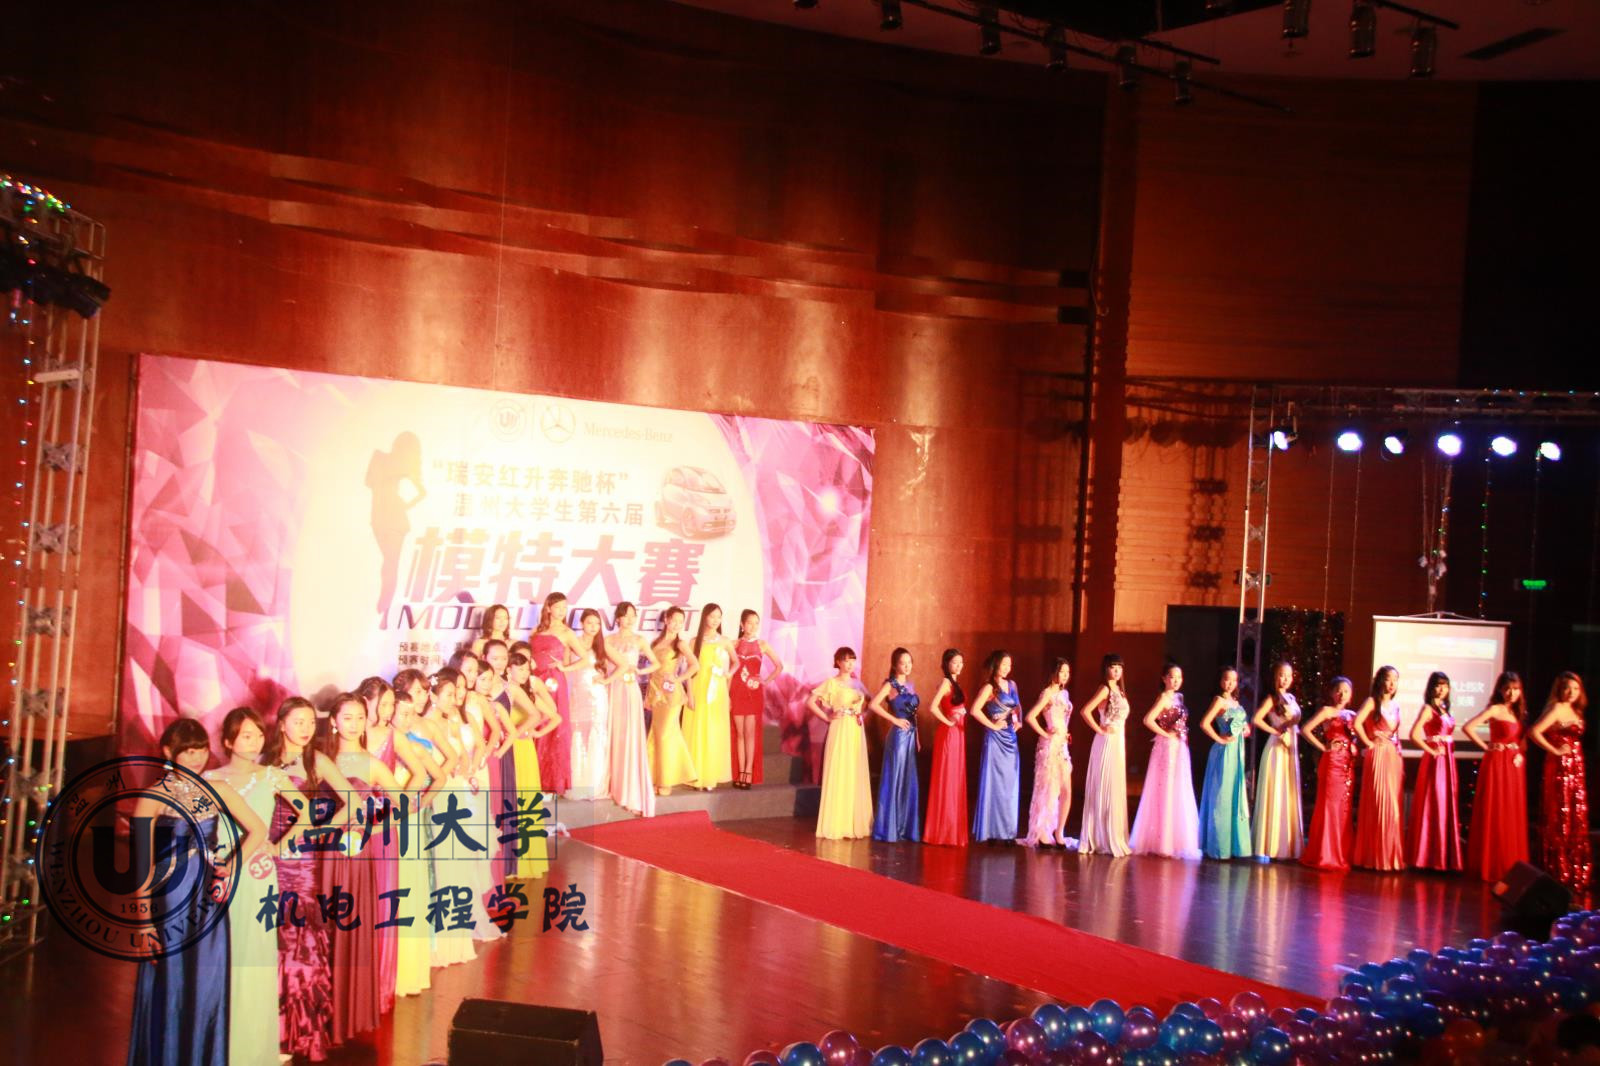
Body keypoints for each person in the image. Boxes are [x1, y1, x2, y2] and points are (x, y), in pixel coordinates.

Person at [127, 718, 267, 1066]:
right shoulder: (152, 797)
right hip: (169, 902)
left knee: (206, 986)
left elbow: (258, 830)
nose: (196, 757)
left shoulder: (218, 789)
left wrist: (231, 865)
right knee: (170, 985)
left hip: (207, 903)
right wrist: (144, 923)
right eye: (188, 751)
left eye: (201, 750)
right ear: (168, 752)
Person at [265, 696, 364, 1062]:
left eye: (311, 722)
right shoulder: (263, 759)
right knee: (266, 940)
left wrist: (317, 831)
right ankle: (264, 1026)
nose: (306, 729)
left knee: (298, 941)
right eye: (299, 722)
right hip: (265, 855)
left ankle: (295, 1032)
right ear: (281, 724)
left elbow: (354, 804)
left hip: (301, 860)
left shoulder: (317, 761)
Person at [203, 709, 291, 1066]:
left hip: (256, 874)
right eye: (246, 735)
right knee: (220, 957)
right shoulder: (210, 778)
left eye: (258, 734)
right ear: (228, 741)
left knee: (254, 959)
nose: (255, 742)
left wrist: (280, 845)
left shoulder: (272, 776)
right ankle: (216, 1045)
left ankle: (252, 1049)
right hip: (218, 873)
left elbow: (309, 812)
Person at [322, 692, 406, 1046]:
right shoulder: (320, 758)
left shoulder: (371, 763)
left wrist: (369, 826)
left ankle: (348, 1007)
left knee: (349, 922)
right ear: (333, 721)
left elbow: (402, 804)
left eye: (360, 717)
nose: (355, 724)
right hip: (317, 850)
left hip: (354, 851)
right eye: (347, 717)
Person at [1531, 671, 1592, 906]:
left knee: (1575, 816)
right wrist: (1555, 750)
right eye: (1567, 688)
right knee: (1561, 817)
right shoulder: (1556, 708)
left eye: (1575, 689)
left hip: (1576, 767)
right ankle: (1559, 869)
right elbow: (1534, 732)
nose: (1571, 692)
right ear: (1560, 689)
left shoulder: (1576, 711)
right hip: (1560, 769)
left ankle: (1574, 868)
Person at [1463, 671, 1530, 883]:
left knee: (1511, 810)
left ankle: (1511, 864)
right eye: (1507, 688)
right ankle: (1492, 863)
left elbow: (1522, 739)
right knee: (1497, 808)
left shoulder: (1518, 712)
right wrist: (1487, 747)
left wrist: (1519, 752)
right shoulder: (1495, 709)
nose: (1511, 693)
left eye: (1516, 689)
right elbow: (1468, 727)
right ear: (1500, 690)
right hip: (1498, 763)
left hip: (1514, 765)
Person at [1129, 662, 1200, 859]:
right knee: (1165, 789)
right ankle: (1163, 843)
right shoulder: (1163, 698)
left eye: (1179, 677)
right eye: (1172, 677)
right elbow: (1148, 719)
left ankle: (1176, 841)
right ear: (1164, 679)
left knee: (1179, 789)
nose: (1176, 681)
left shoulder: (1179, 697)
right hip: (1167, 748)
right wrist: (1166, 734)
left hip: (1180, 748)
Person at [810, 647, 873, 839]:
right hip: (839, 729)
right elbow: (810, 702)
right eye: (846, 660)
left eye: (852, 660)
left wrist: (862, 714)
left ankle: (852, 822)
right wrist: (827, 717)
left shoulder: (857, 683)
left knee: (854, 771)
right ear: (838, 662)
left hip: (855, 730)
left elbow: (870, 702)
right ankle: (837, 823)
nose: (850, 664)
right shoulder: (832, 683)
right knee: (839, 770)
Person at [1299, 676, 1357, 872]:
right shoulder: (1326, 711)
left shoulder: (1353, 715)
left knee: (1343, 809)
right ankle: (1325, 854)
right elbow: (1305, 729)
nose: (1342, 694)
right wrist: (1324, 747)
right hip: (1332, 763)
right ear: (1332, 693)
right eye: (1338, 690)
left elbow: (1356, 737)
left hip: (1348, 765)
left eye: (1346, 691)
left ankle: (1340, 853)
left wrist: (1354, 746)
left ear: (1351, 695)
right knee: (1329, 806)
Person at [1407, 671, 1463, 872]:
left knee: (1445, 803)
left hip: (1447, 761)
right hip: (1436, 762)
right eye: (1438, 685)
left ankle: (1443, 857)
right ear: (1431, 688)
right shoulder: (1428, 709)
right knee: (1434, 802)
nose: (1441, 689)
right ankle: (1428, 858)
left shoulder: (1444, 709)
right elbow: (1414, 734)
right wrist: (1431, 750)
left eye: (1445, 685)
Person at [607, 602, 659, 816]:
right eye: (625, 615)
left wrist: (640, 670)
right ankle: (613, 784)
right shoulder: (608, 640)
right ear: (618, 617)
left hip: (629, 689)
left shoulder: (639, 639)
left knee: (629, 735)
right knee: (614, 734)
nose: (629, 619)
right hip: (612, 689)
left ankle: (631, 788)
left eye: (633, 615)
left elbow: (655, 663)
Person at [1352, 666, 1406, 872]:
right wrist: (1369, 742)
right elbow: (1357, 723)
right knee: (1379, 803)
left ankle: (1389, 856)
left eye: (1395, 680)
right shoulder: (1372, 702)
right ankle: (1375, 856)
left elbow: (1396, 733)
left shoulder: (1396, 706)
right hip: (1378, 755)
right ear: (1380, 681)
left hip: (1393, 756)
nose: (1392, 683)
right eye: (1388, 679)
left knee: (1393, 806)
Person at [1077, 653, 1131, 857]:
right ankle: (1101, 837)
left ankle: (1112, 835)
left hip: (1118, 742)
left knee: (1114, 787)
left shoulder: (1120, 690)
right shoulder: (1105, 689)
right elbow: (1085, 711)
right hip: (1107, 741)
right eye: (1112, 667)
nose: (1116, 671)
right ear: (1106, 669)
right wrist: (1100, 729)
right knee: (1104, 787)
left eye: (1119, 667)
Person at [530, 592, 583, 795]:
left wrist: (564, 668)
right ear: (548, 608)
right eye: (558, 607)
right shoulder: (537, 630)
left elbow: (585, 658)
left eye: (564, 607)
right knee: (536, 721)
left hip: (554, 683)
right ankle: (534, 779)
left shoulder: (567, 633)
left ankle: (552, 783)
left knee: (553, 726)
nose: (562, 611)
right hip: (535, 680)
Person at [1251, 660, 1304, 861]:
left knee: (1288, 794)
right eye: (1282, 675)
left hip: (1291, 747)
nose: (1285, 679)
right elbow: (1256, 719)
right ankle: (1271, 845)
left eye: (1289, 676)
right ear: (1275, 677)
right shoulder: (1272, 699)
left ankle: (1287, 845)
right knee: (1276, 791)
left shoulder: (1291, 698)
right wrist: (1276, 731)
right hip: (1277, 748)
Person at [1198, 666, 1252, 860]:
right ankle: (1218, 846)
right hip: (1225, 752)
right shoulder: (1219, 700)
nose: (1230, 683)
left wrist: (1245, 729)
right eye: (1227, 679)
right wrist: (1219, 739)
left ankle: (1234, 846)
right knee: (1221, 795)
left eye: (1234, 680)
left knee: (1234, 795)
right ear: (1221, 681)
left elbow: (1244, 726)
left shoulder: (1236, 703)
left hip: (1238, 752)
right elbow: (1204, 723)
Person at [868, 647, 921, 842]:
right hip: (898, 737)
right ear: (894, 665)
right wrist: (895, 720)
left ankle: (904, 828)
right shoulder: (889, 685)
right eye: (902, 663)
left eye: (909, 662)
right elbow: (873, 705)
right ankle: (888, 828)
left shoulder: (910, 685)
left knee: (907, 780)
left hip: (911, 737)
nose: (907, 666)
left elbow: (914, 714)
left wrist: (917, 736)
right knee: (895, 778)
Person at [969, 650, 1022, 843]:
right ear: (996, 665)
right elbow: (974, 710)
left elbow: (1017, 707)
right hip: (995, 740)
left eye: (1009, 665)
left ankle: (1008, 832)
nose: (1007, 668)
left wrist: (1018, 721)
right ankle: (991, 831)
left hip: (1010, 738)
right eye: (1004, 664)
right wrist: (992, 725)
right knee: (994, 784)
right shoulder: (989, 687)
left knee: (1010, 784)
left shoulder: (1012, 685)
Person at [1022, 658, 1075, 849]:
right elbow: (1030, 717)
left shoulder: (1064, 693)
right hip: (1050, 745)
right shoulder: (1047, 693)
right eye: (1062, 672)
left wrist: (1064, 733)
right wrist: (1046, 733)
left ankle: (1059, 831)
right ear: (1053, 673)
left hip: (1063, 745)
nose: (1065, 676)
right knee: (1049, 789)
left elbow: (1064, 719)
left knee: (1067, 790)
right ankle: (1043, 832)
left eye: (1067, 672)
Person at [648, 607, 700, 796]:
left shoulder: (681, 644)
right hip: (656, 693)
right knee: (656, 735)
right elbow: (652, 671)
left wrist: (678, 679)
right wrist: (649, 696)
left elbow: (695, 665)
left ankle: (667, 780)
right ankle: (656, 778)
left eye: (681, 621)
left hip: (671, 695)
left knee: (666, 735)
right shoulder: (655, 642)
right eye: (674, 620)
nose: (677, 624)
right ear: (666, 620)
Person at [685, 603, 736, 791]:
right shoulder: (694, 641)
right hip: (699, 688)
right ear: (705, 617)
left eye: (718, 617)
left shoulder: (725, 641)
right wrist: (689, 694)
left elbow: (736, 662)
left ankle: (710, 776)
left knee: (714, 731)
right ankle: (696, 776)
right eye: (712, 616)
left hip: (717, 692)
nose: (715, 620)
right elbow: (688, 670)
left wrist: (728, 675)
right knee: (698, 730)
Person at [730, 610, 784, 789]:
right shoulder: (734, 644)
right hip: (737, 691)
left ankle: (748, 772)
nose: (753, 626)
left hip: (753, 692)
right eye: (749, 623)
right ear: (742, 624)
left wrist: (765, 681)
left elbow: (779, 666)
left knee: (750, 734)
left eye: (756, 623)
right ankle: (739, 772)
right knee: (739, 734)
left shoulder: (762, 644)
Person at [923, 649, 970, 847]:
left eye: (961, 662)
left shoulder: (955, 683)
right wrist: (948, 721)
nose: (959, 665)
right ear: (946, 664)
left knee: (954, 778)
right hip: (949, 735)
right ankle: (942, 831)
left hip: (958, 734)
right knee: (947, 777)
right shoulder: (945, 683)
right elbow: (933, 707)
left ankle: (950, 830)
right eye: (954, 662)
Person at [568, 608, 614, 799]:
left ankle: (595, 786)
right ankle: (578, 785)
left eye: (597, 624)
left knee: (596, 735)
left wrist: (606, 680)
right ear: (581, 624)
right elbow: (567, 666)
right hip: (577, 694)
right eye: (589, 623)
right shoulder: (573, 642)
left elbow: (623, 665)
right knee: (578, 734)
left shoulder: (602, 645)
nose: (594, 627)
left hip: (597, 697)